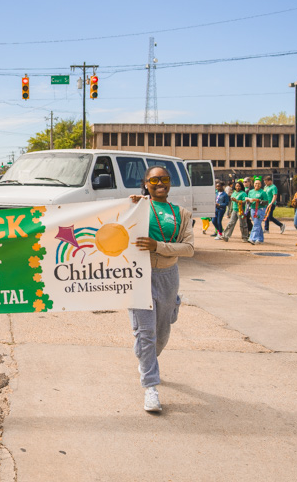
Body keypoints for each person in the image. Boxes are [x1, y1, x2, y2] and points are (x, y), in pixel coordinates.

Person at [129, 166, 194, 413]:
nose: (159, 183)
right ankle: (151, 388)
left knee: (161, 333)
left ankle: (146, 360)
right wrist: (132, 204)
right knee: (145, 333)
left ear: (170, 183)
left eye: (164, 179)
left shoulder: (182, 213)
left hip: (168, 276)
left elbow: (188, 248)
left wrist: (158, 246)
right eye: (153, 179)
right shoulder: (137, 207)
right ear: (145, 183)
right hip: (138, 275)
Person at [245, 177, 268, 245]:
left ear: (261, 185)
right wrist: (248, 200)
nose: (257, 185)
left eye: (258, 183)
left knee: (256, 224)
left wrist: (258, 200)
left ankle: (253, 238)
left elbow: (266, 202)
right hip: (252, 209)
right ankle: (260, 238)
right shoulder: (251, 192)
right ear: (253, 184)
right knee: (257, 223)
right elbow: (249, 200)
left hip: (260, 209)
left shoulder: (263, 192)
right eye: (255, 183)